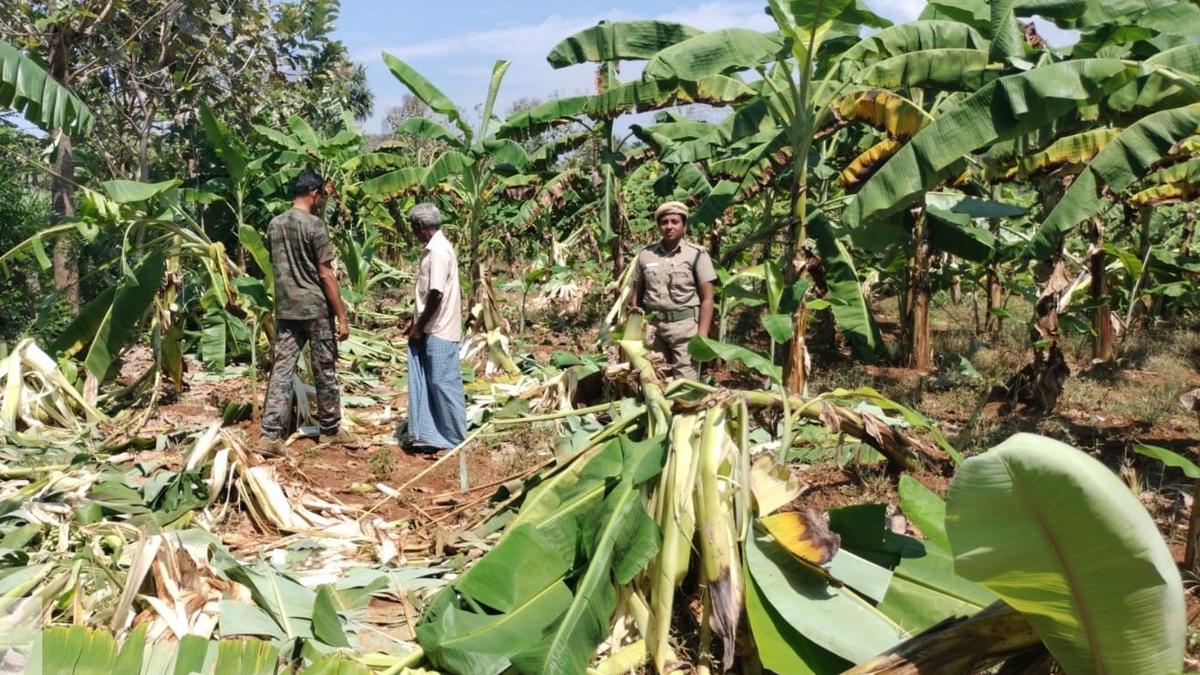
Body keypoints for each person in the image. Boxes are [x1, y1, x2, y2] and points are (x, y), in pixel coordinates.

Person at [259, 169, 358, 454]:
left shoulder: (274, 225)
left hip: (287, 309)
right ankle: (329, 429)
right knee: (324, 369)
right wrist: (341, 315)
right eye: (320, 196)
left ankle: (269, 435)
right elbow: (326, 274)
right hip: (315, 309)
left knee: (282, 369)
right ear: (314, 193)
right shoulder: (315, 226)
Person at [404, 203, 467, 451]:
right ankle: (435, 436)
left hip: (440, 328)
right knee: (433, 381)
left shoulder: (439, 251)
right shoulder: (435, 248)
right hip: (433, 326)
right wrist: (414, 322)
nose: (412, 232)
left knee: (443, 383)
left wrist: (419, 326)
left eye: (413, 227)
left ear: (420, 227)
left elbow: (436, 293)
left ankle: (456, 439)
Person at [630, 201, 717, 380]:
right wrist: (637, 329)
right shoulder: (646, 255)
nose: (669, 226)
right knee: (656, 382)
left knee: (685, 385)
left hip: (685, 329)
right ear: (659, 226)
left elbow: (707, 298)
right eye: (664, 222)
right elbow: (636, 295)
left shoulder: (696, 254)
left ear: (684, 225)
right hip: (653, 329)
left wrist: (702, 335)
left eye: (675, 222)